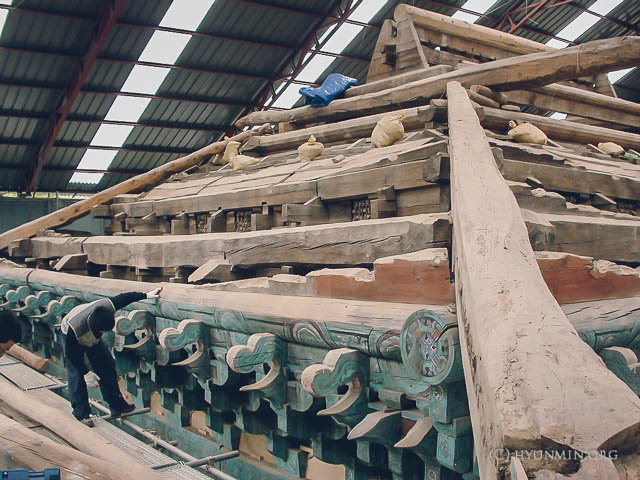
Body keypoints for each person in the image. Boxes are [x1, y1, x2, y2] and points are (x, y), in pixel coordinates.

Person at [61, 287, 162, 422]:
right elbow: (72, 356)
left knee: (106, 364)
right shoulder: (74, 330)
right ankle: (81, 413)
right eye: (103, 332)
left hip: (93, 339)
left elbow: (125, 298)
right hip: (72, 334)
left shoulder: (106, 307)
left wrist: (146, 295)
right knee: (76, 373)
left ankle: (117, 405)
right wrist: (86, 373)